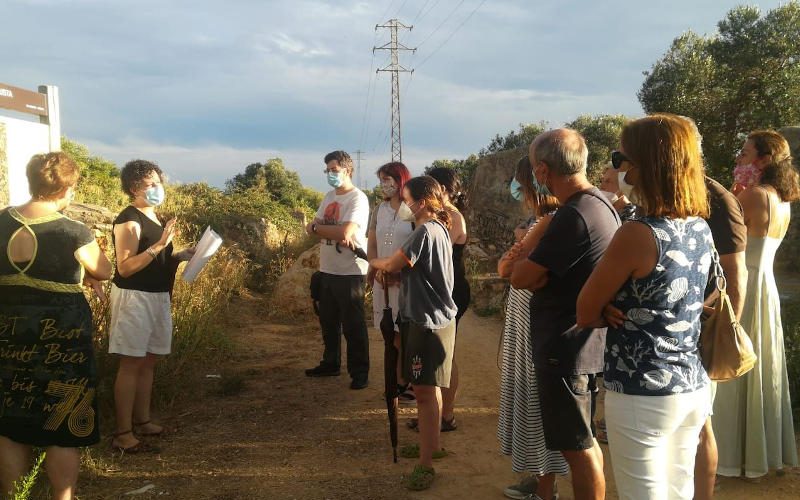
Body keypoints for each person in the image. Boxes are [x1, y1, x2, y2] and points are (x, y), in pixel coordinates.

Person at [577, 113, 713, 499]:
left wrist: (611, 310)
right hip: (690, 385)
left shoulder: (637, 233)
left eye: (620, 159)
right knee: (679, 490)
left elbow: (585, 310)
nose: (616, 167)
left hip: (642, 391)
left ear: (642, 167)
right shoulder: (699, 225)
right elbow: (708, 293)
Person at [510, 128, 620, 500]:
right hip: (584, 344)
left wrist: (527, 264)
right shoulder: (602, 204)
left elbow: (520, 277)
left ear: (542, 170)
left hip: (565, 348)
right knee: (583, 444)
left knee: (579, 449)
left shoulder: (572, 216)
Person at [0, 152, 112, 499]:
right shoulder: (73, 230)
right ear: (67, 187)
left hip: (9, 334)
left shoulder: (2, 221)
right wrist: (84, 276)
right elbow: (105, 270)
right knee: (63, 425)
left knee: (9, 421)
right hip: (62, 342)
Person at [713, 130, 800, 479]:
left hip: (743, 285)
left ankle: (730, 457)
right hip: (767, 287)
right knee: (761, 364)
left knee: (730, 362)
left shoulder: (752, 196)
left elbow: (718, 233)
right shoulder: (781, 199)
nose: (739, 159)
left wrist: (730, 198)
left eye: (745, 153)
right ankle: (760, 453)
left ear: (763, 160)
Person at [369, 175, 457, 491]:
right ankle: (430, 446)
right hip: (427, 318)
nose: (403, 204)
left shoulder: (424, 231)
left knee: (423, 393)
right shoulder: (437, 229)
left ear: (420, 202)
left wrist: (373, 262)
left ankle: (426, 464)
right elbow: (414, 271)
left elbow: (394, 263)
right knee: (426, 389)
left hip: (427, 322)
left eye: (406, 199)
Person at [109, 159, 195, 453]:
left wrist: (180, 255)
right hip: (135, 298)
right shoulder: (129, 219)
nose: (159, 188)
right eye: (152, 184)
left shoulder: (155, 217)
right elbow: (126, 268)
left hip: (157, 296)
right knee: (131, 363)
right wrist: (159, 246)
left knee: (148, 361)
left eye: (160, 182)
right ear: (134, 188)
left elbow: (156, 262)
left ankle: (142, 421)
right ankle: (123, 432)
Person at [497, 156, 567, 500]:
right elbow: (506, 264)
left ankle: (546, 487)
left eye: (519, 183)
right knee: (530, 398)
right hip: (525, 315)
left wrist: (518, 248)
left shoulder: (548, 221)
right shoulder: (536, 221)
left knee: (536, 399)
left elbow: (507, 269)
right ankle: (539, 478)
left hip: (533, 317)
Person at [405, 166, 469, 432]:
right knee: (437, 357)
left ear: (442, 189)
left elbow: (431, 255)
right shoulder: (438, 218)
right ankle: (434, 415)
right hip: (439, 290)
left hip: (449, 292)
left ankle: (445, 415)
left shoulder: (451, 219)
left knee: (445, 356)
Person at [304, 150, 371, 390]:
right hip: (327, 269)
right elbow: (310, 227)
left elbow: (344, 233)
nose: (330, 174)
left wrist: (319, 228)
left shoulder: (357, 199)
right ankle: (330, 363)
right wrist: (321, 228)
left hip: (350, 270)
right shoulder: (329, 197)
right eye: (328, 171)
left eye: (334, 170)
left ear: (347, 170)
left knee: (353, 325)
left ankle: (359, 372)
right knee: (328, 322)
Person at [366, 161, 414, 402]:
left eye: (388, 180)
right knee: (390, 333)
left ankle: (409, 382)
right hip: (382, 279)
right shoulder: (378, 210)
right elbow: (372, 243)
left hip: (405, 281)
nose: (384, 185)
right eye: (381, 180)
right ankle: (396, 381)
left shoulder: (413, 209)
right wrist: (373, 268)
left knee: (405, 332)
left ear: (400, 180)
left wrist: (399, 272)